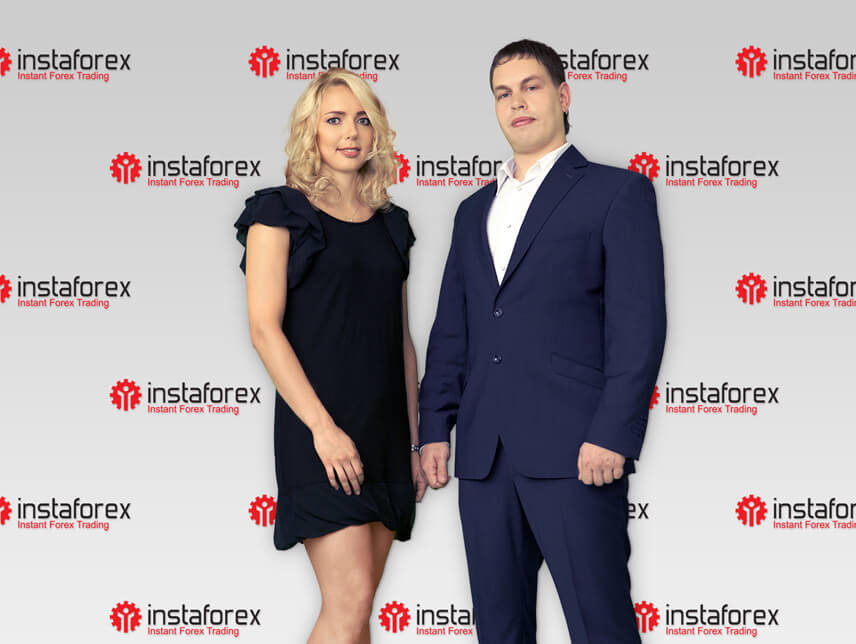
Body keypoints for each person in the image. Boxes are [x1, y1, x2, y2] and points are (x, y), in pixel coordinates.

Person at [418, 39, 667, 644]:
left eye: (530, 87)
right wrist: (433, 427)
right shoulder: (471, 211)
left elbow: (638, 327)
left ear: (563, 95)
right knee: (498, 631)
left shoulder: (617, 192)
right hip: (484, 457)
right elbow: (452, 329)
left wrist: (612, 433)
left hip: (577, 451)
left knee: (601, 628)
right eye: (503, 93)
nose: (517, 103)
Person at [233, 68, 426, 644]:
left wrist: (415, 443)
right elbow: (264, 330)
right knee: (349, 603)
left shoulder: (393, 225)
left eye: (362, 119)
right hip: (319, 431)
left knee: (357, 613)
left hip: (385, 434)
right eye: (335, 119)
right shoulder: (278, 212)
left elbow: (401, 339)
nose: (351, 132)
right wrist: (323, 429)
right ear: (310, 132)